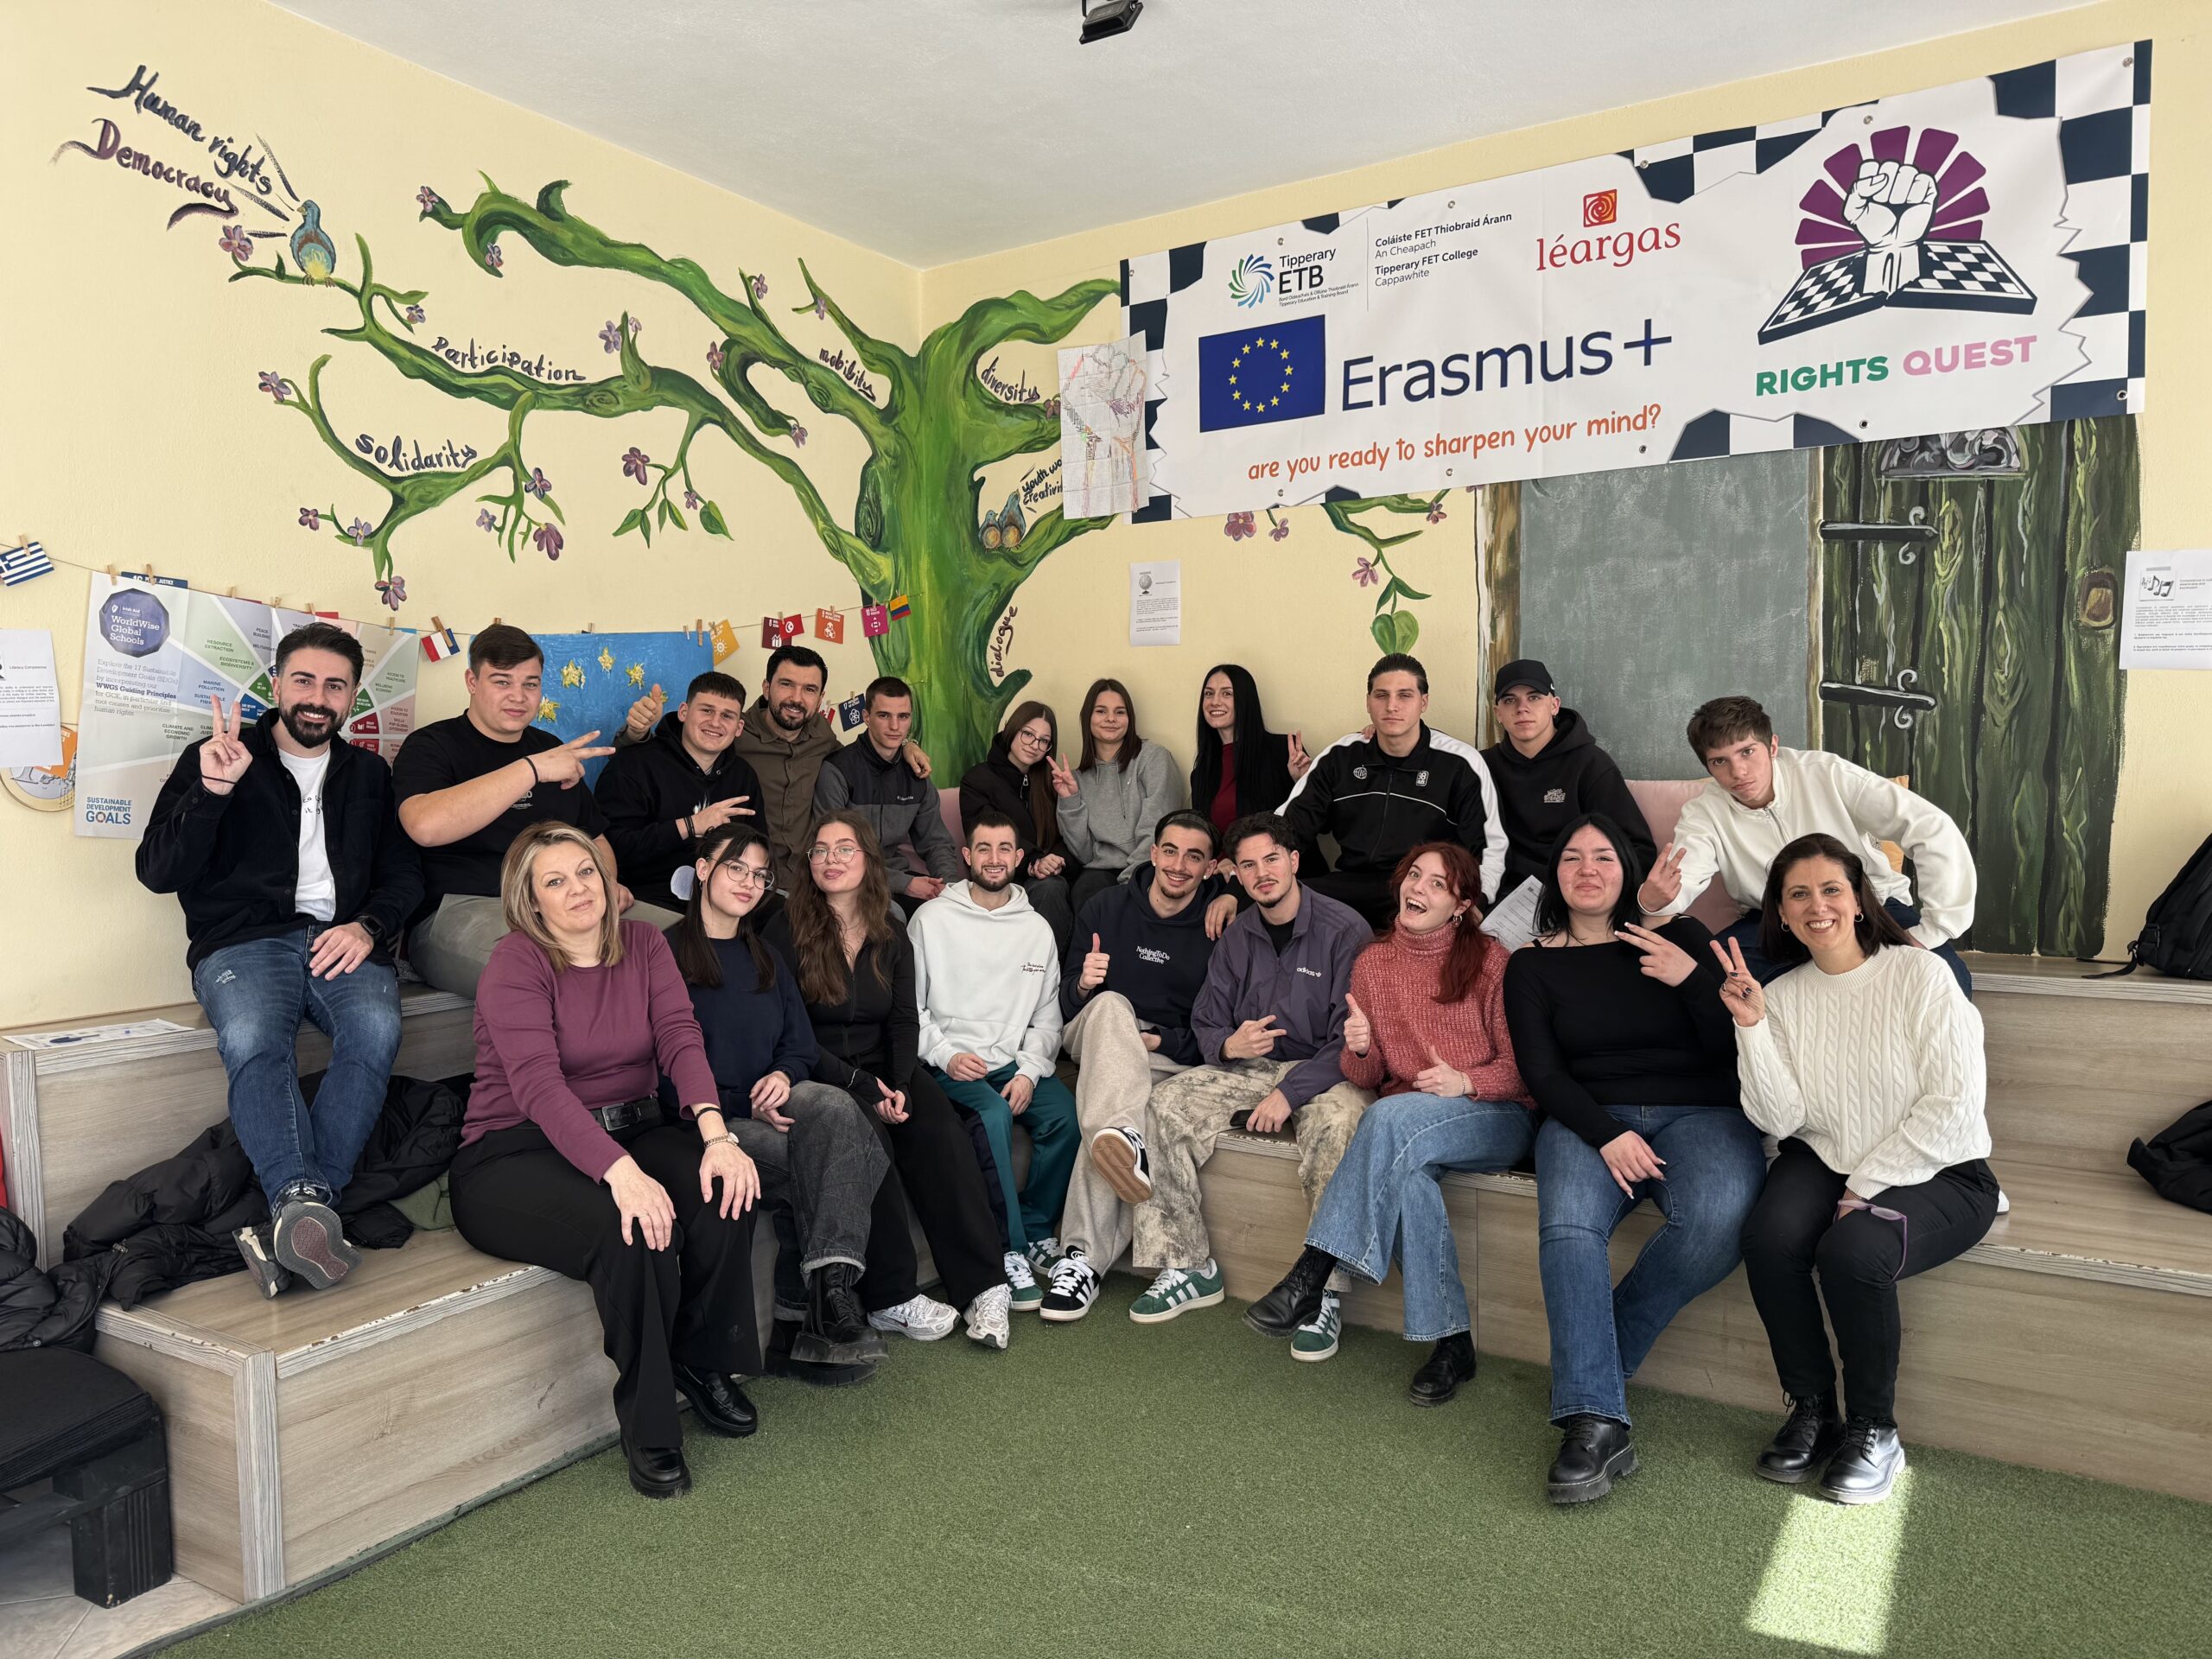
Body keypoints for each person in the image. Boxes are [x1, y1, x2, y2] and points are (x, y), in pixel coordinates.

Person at [448, 823, 762, 1500]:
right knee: (634, 1228)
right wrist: (622, 1175)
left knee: (723, 1190)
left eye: (585, 872)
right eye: (554, 881)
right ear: (531, 901)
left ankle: (702, 1362)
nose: (577, 889)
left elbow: (680, 1037)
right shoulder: (517, 962)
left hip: (635, 1127)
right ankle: (649, 1425)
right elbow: (539, 1087)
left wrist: (717, 1136)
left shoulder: (645, 943)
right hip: (515, 1150)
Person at [136, 623, 422, 1296]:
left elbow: (405, 874)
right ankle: (305, 1207)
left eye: (335, 685)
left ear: (353, 696)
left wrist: (369, 927)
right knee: (255, 1038)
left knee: (376, 1030)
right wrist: (212, 792)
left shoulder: (370, 775)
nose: (318, 698)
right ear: (277, 684)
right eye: (304, 680)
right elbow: (157, 870)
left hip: (342, 937)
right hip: (243, 941)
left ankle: (296, 1212)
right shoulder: (218, 756)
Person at [1726, 833, 1998, 1505]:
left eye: (1831, 890)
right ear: (1780, 913)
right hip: (1826, 1153)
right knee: (1769, 1238)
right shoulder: (1782, 994)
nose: (1816, 906)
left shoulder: (1920, 974)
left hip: (1941, 1167)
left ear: (1857, 899)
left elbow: (1954, 1106)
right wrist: (1752, 1028)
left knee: (1852, 1250)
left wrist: (1863, 1186)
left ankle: (1876, 1430)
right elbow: (1781, 1119)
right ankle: (1813, 1411)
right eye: (1798, 895)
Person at [1501, 814, 1764, 1505]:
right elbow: (1542, 1072)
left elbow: (1734, 1042)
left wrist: (1691, 979)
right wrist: (1604, 1132)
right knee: (1569, 1227)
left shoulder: (1681, 936)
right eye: (1572, 858)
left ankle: (1595, 1364)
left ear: (1628, 871)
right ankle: (1595, 1425)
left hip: (1702, 1111)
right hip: (1587, 1115)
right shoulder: (1531, 964)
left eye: (1603, 857)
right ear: (1555, 875)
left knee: (1718, 1218)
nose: (1587, 870)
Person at [1246, 842, 1528, 1399]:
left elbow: (1522, 1070)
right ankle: (1453, 1344)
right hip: (1407, 1124)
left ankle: (1312, 1269)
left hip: (1494, 1113)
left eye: (1437, 884)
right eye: (1414, 875)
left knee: (1388, 1118)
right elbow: (1369, 1075)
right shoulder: (1374, 963)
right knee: (1409, 1180)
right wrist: (1360, 1047)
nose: (1418, 888)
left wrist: (1465, 1082)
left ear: (1462, 905)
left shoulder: (1492, 961)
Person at [664, 823, 903, 1381]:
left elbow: (799, 1045)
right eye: (736, 868)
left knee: (837, 1109)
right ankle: (809, 1321)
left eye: (760, 875)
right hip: (704, 1124)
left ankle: (822, 1303)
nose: (749, 883)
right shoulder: (666, 954)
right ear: (703, 869)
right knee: (838, 1159)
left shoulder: (766, 956)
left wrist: (781, 1074)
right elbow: (663, 1062)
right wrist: (735, 1104)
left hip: (769, 1107)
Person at [1128, 813, 1372, 1356]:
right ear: (1235, 875)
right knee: (1163, 1103)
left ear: (1294, 861)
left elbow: (1349, 1042)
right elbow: (1206, 1021)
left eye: (1271, 859)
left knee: (1338, 1124)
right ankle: (1188, 1265)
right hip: (1251, 1070)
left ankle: (1324, 1292)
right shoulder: (1238, 937)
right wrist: (1229, 1046)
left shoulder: (1344, 929)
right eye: (1248, 865)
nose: (1262, 873)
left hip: (1326, 1071)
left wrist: (1289, 1094)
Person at [764, 813, 1008, 1350]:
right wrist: (865, 1089)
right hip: (820, 1070)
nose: (831, 859)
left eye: (844, 848)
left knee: (940, 1130)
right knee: (867, 1140)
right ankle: (891, 1298)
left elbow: (902, 1020)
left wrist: (897, 1085)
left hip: (886, 1063)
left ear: (868, 860)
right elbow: (791, 1032)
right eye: (821, 850)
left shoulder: (891, 929)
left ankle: (985, 1286)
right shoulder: (785, 930)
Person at [394, 624, 664, 998]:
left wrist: (603, 886)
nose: (518, 696)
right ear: (472, 681)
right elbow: (424, 826)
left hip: (561, 902)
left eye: (530, 684)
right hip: (460, 910)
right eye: (502, 682)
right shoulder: (431, 745)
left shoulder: (550, 747)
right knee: (546, 970)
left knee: (681, 945)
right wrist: (531, 769)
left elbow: (595, 839)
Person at [1637, 696, 1975, 992]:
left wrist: (1934, 929)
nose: (1738, 772)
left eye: (1747, 752)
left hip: (1868, 905)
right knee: (1713, 977)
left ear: (1772, 746)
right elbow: (1682, 879)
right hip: (1773, 919)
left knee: (1943, 975)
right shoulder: (1704, 812)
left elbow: (1929, 827)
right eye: (1720, 761)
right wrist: (1652, 902)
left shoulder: (1825, 773)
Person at [1043, 810, 1221, 1321]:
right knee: (1111, 1005)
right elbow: (1066, 1005)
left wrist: (1163, 1038)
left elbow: (1216, 1030)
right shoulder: (1105, 906)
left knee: (1119, 1117)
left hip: (1163, 1051)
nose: (1179, 865)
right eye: (1171, 851)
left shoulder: (1220, 923)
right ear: (1154, 852)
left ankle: (1081, 1258)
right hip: (1097, 1029)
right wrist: (1083, 984)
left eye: (1194, 856)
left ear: (1211, 868)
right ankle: (1122, 1134)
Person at [909, 810, 1083, 1315]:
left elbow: (1047, 1018)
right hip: (948, 1061)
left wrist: (1029, 1071)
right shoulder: (931, 919)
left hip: (1010, 1061)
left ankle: (1034, 1231)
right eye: (983, 848)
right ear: (967, 855)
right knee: (992, 1115)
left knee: (1065, 1118)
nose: (993, 858)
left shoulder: (1036, 929)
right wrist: (946, 1054)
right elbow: (910, 1011)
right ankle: (1006, 1249)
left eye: (1004, 848)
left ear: (1019, 858)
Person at [1281, 653, 1506, 924]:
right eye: (1381, 695)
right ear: (1368, 702)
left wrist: (1476, 902)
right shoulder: (1341, 755)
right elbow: (1285, 829)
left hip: (1422, 890)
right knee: (1273, 901)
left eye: (1405, 695)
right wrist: (1246, 879)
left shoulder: (1461, 763)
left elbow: (1489, 849)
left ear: (1424, 702)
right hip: (1351, 886)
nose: (1391, 706)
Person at [717, 645, 934, 898]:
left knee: (889, 916)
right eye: (787, 684)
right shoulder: (736, 735)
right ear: (767, 688)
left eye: (809, 689)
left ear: (820, 698)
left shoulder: (821, 733)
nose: (797, 699)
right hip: (753, 879)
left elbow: (861, 759)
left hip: (812, 880)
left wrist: (906, 745)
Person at [1479, 659, 1655, 896]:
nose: (1522, 708)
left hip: (1573, 894)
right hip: (1503, 895)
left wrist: (1595, 896)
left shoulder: (1590, 763)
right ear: (1498, 713)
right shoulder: (1481, 766)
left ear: (1554, 706)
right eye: (1510, 700)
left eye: (1534, 697)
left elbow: (1638, 849)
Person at [594, 671, 762, 913]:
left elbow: (758, 848)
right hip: (646, 900)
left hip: (723, 903)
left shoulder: (744, 776)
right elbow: (614, 849)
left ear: (739, 727)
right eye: (707, 710)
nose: (716, 723)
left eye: (727, 716)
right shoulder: (633, 765)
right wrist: (690, 825)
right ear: (683, 712)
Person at [812, 675, 962, 908]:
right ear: (866, 717)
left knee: (947, 914)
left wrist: (951, 890)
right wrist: (905, 884)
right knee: (895, 915)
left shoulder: (916, 773)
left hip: (898, 876)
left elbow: (936, 843)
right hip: (850, 882)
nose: (894, 726)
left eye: (903, 717)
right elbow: (834, 854)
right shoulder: (837, 770)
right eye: (884, 715)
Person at [1048, 677, 1184, 915]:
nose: (1111, 719)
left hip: (1149, 864)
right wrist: (1070, 800)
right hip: (1100, 871)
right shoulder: (1077, 779)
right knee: (1088, 895)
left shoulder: (1153, 759)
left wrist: (1130, 880)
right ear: (1088, 718)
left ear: (1129, 719)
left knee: (1129, 903)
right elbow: (1084, 854)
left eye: (1120, 712)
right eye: (1101, 711)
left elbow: (1158, 829)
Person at [959, 701, 1078, 953]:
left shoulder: (1050, 783)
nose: (1034, 745)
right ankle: (1043, 971)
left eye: (1044, 741)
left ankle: (1057, 971)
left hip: (1047, 875)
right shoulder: (978, 779)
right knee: (1050, 888)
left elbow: (1066, 836)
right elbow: (986, 834)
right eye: (1028, 734)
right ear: (1011, 729)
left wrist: (1056, 860)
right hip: (1002, 876)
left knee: (1072, 887)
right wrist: (1034, 861)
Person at [1189, 664, 1311, 845]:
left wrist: (1303, 782)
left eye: (1227, 693)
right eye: (1209, 694)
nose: (1215, 701)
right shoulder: (1201, 773)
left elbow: (1313, 825)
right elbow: (1206, 838)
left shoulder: (1284, 750)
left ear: (1245, 700)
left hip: (1282, 860)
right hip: (1226, 863)